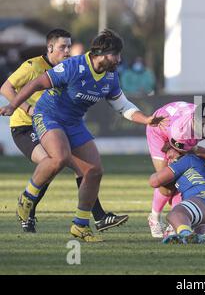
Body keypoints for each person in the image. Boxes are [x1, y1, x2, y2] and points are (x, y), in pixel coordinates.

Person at [0, 29, 163, 242]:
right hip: (48, 115)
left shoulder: (111, 76)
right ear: (102, 54)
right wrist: (14, 105)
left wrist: (146, 119)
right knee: (59, 158)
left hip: (74, 122)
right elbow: (36, 83)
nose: (119, 60)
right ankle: (27, 198)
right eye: (116, 55)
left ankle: (80, 226)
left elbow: (122, 105)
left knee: (94, 171)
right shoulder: (73, 66)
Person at [146, 101, 205, 238]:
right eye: (203, 127)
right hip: (159, 129)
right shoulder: (180, 130)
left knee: (180, 177)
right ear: (194, 120)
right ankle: (154, 217)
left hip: (177, 125)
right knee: (167, 184)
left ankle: (181, 220)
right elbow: (193, 151)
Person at [148, 147, 205, 244]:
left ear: (181, 150)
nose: (168, 158)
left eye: (170, 153)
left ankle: (185, 234)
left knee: (175, 213)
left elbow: (154, 181)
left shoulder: (187, 159)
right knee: (199, 230)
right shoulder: (199, 162)